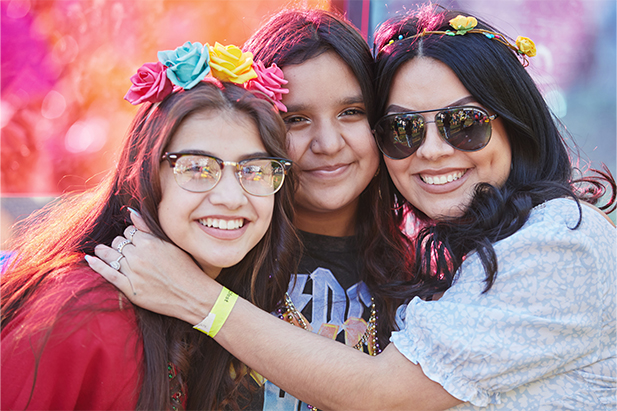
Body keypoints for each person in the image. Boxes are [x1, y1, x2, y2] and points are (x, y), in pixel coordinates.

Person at [90, 6, 616, 410]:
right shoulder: (200, 252)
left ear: (515, 121)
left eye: (465, 122)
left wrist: (200, 299)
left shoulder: (555, 242)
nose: (432, 150)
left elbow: (385, 392)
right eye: (405, 129)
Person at [1, 40, 299, 410]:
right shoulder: (85, 313)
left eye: (253, 170)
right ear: (144, 174)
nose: (231, 197)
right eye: (197, 168)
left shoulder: (215, 305)